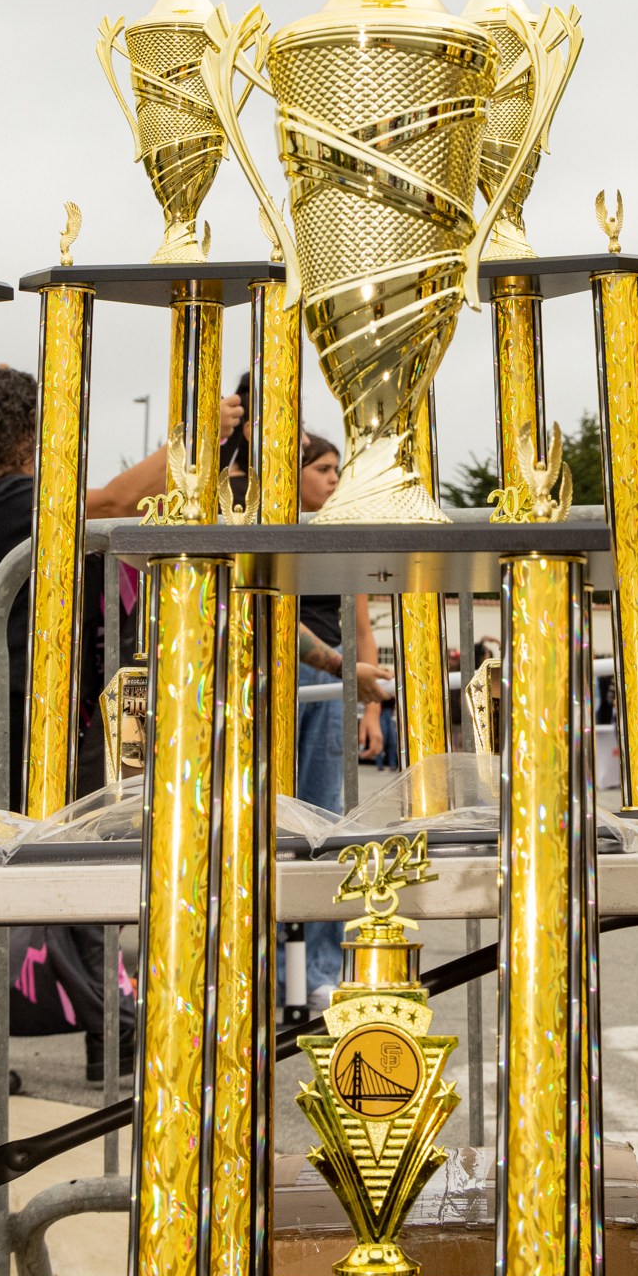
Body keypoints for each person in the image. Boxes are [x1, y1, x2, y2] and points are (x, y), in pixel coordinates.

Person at [0, 369, 242, 1097]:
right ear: (18, 432)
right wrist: (195, 431)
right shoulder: (9, 498)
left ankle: (98, 1024)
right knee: (4, 876)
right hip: (11, 714)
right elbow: (110, 502)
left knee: (33, 875)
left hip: (20, 710)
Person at [290, 432, 391, 1009]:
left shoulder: (341, 534)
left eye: (337, 470)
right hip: (295, 675)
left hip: (332, 684)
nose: (333, 478)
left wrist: (371, 705)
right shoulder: (267, 523)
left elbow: (362, 627)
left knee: (324, 824)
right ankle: (278, 967)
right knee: (278, 822)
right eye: (322, 468)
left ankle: (320, 970)